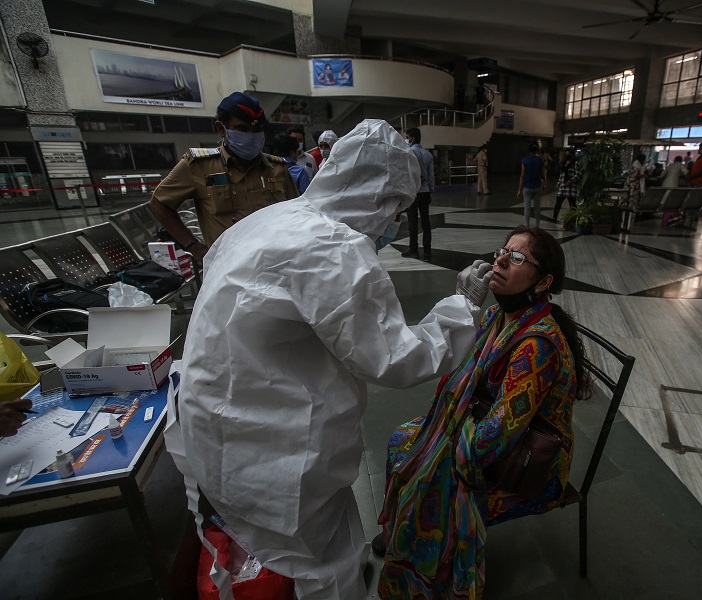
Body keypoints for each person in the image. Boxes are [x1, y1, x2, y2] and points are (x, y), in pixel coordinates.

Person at [177, 119, 494, 600]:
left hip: (214, 425)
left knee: (265, 547)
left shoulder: (269, 218)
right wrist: (464, 308)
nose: (393, 223)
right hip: (273, 450)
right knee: (319, 564)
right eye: (396, 209)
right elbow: (394, 359)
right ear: (380, 198)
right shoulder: (332, 249)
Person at [375, 226, 591, 599]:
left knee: (428, 482)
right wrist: (461, 302)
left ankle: (424, 571)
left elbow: (494, 440)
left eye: (519, 257)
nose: (502, 259)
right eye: (503, 250)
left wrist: (442, 445)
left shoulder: (536, 347)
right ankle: (403, 532)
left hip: (530, 466)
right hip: (486, 428)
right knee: (402, 440)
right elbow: (459, 374)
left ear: (543, 283)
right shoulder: (497, 315)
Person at [150, 92, 297, 262]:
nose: (251, 136)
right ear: (221, 129)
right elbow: (159, 202)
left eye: (257, 130)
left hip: (277, 265)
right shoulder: (199, 166)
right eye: (242, 129)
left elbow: (295, 213)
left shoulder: (277, 169)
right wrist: (193, 246)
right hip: (228, 271)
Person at [401, 127, 435, 261]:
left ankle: (413, 250)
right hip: (425, 192)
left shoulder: (409, 153)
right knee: (426, 222)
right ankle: (427, 252)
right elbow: (431, 176)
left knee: (413, 222)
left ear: (412, 138)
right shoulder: (428, 154)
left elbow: (406, 174)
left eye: (407, 137)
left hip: (414, 193)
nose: (406, 140)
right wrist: (431, 190)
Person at [517, 144, 545, 227]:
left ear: (529, 151)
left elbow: (522, 176)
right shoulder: (540, 161)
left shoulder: (525, 161)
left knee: (527, 208)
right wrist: (544, 183)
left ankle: (527, 225)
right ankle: (537, 225)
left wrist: (519, 190)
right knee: (537, 207)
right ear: (536, 151)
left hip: (527, 186)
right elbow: (543, 174)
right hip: (537, 186)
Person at [553, 148, 580, 222]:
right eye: (566, 154)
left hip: (571, 187)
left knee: (572, 203)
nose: (567, 155)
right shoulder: (563, 163)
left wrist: (571, 181)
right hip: (562, 186)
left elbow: (578, 174)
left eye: (569, 154)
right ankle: (554, 217)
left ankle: (575, 218)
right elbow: (561, 174)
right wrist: (558, 184)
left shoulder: (575, 163)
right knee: (558, 202)